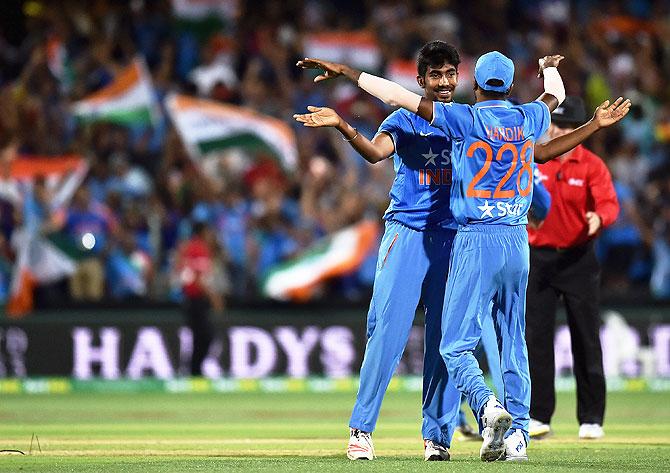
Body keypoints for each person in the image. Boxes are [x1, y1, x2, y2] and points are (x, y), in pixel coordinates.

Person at [296, 51, 630, 462]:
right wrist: (345, 124)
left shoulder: (467, 119)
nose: (443, 81)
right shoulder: (431, 119)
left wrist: (348, 74)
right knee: (390, 335)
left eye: (450, 74)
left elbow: (396, 93)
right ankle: (364, 430)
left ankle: (438, 435)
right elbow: (377, 147)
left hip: (460, 238)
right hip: (414, 233)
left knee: (446, 342)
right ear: (423, 80)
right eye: (435, 75)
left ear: (467, 80)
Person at [525, 96, 620, 440]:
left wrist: (600, 217)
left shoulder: (592, 165)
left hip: (579, 259)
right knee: (535, 339)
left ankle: (591, 418)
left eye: (567, 127)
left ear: (580, 130)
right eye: (557, 124)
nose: (559, 131)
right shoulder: (536, 160)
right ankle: (538, 415)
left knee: (586, 337)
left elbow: (609, 203)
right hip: (538, 260)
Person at [175, 221, 224, 376]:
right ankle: (194, 370)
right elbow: (198, 277)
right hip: (196, 299)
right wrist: (213, 296)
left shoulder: (188, 248)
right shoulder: (199, 248)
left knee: (198, 337)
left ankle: (193, 370)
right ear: (203, 232)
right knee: (206, 336)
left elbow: (183, 270)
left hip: (190, 299)